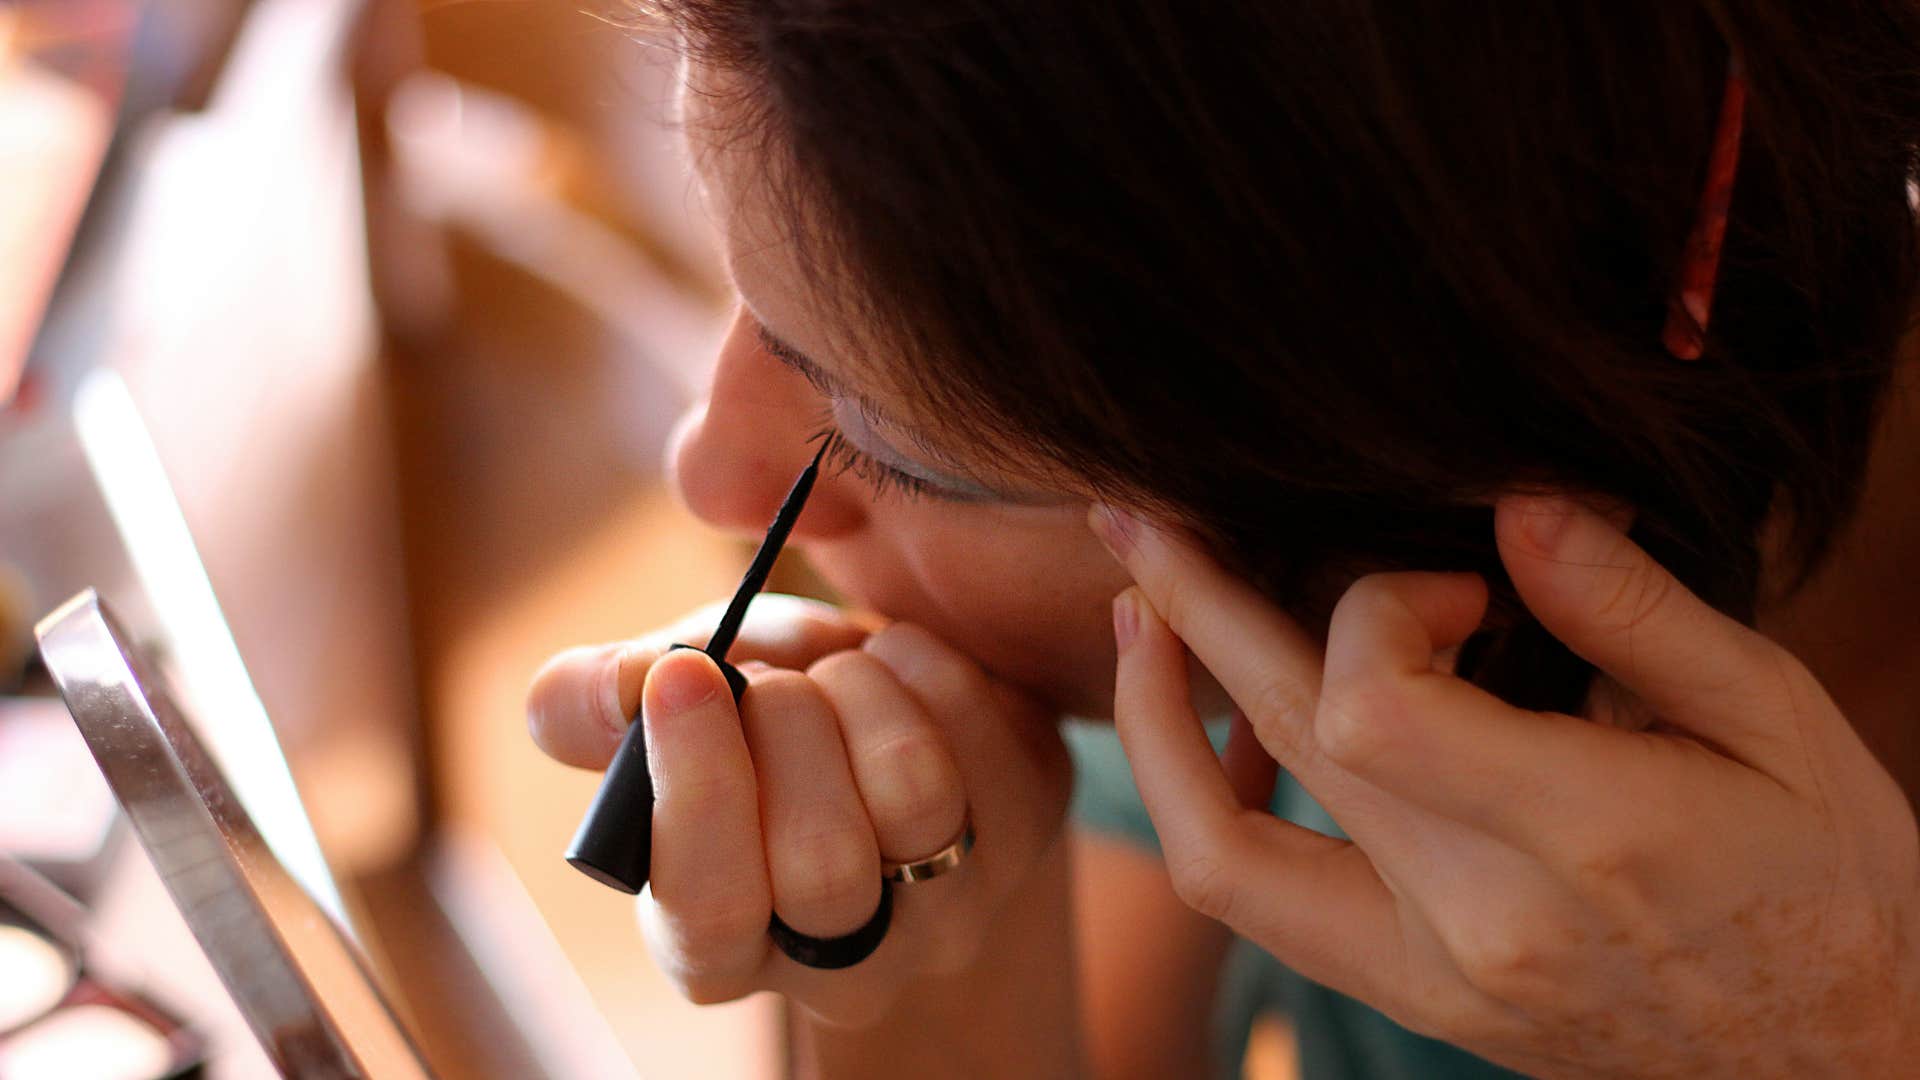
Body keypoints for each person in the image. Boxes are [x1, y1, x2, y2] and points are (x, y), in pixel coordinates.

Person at [526, 3, 1920, 1075]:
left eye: (884, 446)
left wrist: (1844, 1037)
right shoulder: (1193, 652)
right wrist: (933, 924)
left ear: (1457, 521)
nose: (705, 470)